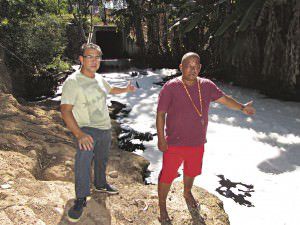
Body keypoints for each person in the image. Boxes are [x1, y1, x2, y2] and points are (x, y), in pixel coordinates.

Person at [156, 52, 255, 222]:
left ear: (200, 68)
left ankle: (187, 193)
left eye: (196, 66)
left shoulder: (207, 86)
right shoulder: (170, 87)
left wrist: (241, 107)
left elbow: (224, 99)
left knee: (192, 171)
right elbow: (161, 114)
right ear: (181, 67)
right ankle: (162, 206)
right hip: (174, 143)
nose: (192, 69)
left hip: (197, 142)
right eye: (188, 65)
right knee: (167, 175)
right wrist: (161, 138)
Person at [60, 43, 136, 222]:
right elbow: (65, 110)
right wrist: (79, 134)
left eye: (97, 57)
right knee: (84, 160)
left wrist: (125, 89)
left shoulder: (99, 79)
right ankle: (80, 199)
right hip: (86, 128)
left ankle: (101, 184)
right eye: (89, 57)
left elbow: (111, 90)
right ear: (81, 59)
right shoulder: (73, 81)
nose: (94, 61)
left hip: (104, 127)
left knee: (102, 159)